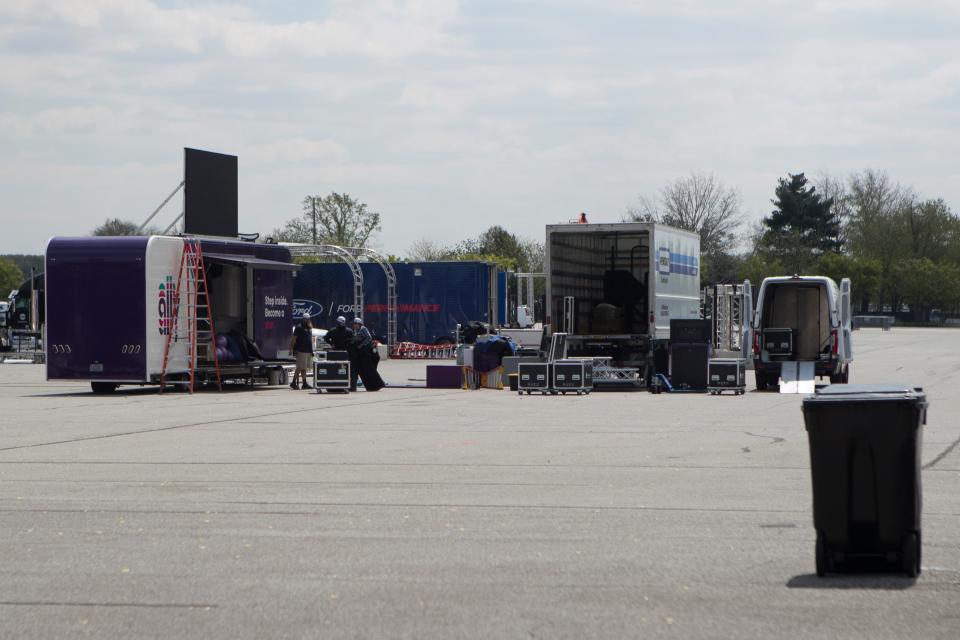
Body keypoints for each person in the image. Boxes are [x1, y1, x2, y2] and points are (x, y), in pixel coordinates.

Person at [348, 317, 384, 392]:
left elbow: (369, 337)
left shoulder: (363, 329)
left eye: (355, 324)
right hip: (364, 353)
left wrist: (361, 345)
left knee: (371, 369)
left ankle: (374, 383)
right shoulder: (357, 331)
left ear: (358, 324)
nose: (354, 325)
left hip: (370, 353)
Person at [289, 312, 314, 390]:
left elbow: (310, 340)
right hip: (301, 350)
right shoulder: (299, 327)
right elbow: (293, 339)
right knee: (299, 367)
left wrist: (311, 351)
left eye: (308, 319)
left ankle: (304, 383)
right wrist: (291, 349)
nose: (307, 320)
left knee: (304, 368)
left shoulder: (309, 327)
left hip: (308, 351)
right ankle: (293, 382)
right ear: (303, 319)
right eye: (306, 319)